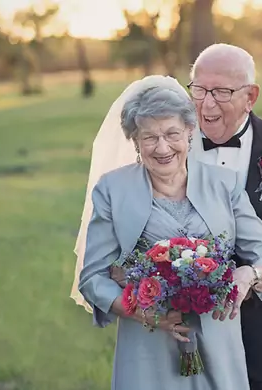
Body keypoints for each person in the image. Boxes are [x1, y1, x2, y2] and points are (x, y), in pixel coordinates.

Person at [76, 75, 262, 390]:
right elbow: (93, 278)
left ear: (190, 132)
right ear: (134, 141)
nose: (162, 148)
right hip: (148, 347)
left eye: (172, 133)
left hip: (220, 341)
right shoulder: (112, 190)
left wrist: (248, 274)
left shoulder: (225, 183)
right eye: (149, 137)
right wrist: (148, 315)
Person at [186, 43, 262, 390]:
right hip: (188, 327)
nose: (207, 103)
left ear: (251, 97)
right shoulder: (170, 146)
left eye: (221, 91)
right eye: (199, 89)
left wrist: (254, 274)